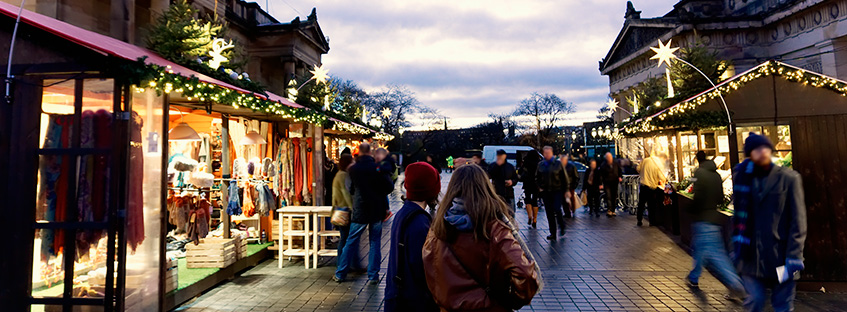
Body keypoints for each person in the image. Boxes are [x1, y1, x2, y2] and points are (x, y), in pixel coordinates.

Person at [423, 164, 540, 312]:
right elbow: (525, 273)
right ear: (485, 188)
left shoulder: (438, 228)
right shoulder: (495, 229)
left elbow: (430, 270)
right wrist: (513, 301)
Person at [732, 133, 806, 312]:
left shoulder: (789, 178)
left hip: (781, 256)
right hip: (750, 257)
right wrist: (734, 249)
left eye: (766, 148)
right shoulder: (743, 178)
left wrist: (794, 255)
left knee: (782, 305)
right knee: (754, 301)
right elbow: (737, 217)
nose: (763, 152)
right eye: (757, 149)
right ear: (750, 154)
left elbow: (798, 220)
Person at [686, 151, 745, 298]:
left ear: (698, 160)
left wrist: (691, 209)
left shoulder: (700, 173)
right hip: (714, 218)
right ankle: (693, 277)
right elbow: (720, 197)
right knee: (701, 249)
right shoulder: (716, 174)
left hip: (703, 219)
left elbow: (698, 196)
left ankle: (736, 284)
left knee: (716, 255)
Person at [334, 143, 394, 284]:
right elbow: (389, 186)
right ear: (370, 153)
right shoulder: (377, 168)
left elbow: (350, 189)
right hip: (376, 210)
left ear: (359, 153)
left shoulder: (353, 169)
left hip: (360, 209)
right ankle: (373, 275)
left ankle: (341, 273)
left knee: (351, 241)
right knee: (375, 242)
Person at [385, 162, 441, 312]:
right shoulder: (420, 223)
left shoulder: (404, 213)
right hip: (412, 302)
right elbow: (424, 270)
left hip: (398, 299)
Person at [331, 154, 360, 272]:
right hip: (344, 210)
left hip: (339, 208)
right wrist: (352, 207)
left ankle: (346, 264)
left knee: (345, 238)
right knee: (347, 239)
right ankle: (345, 264)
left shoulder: (339, 174)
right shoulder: (343, 175)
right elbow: (346, 192)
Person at [536, 146, 569, 240]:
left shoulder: (558, 164)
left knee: (557, 208)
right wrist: (540, 187)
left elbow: (564, 177)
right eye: (545, 153)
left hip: (557, 190)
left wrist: (566, 190)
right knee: (549, 212)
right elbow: (537, 177)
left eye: (548, 153)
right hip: (546, 191)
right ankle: (553, 233)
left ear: (551, 153)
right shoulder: (541, 165)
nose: (546, 155)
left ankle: (562, 225)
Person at [636, 148, 667, 227]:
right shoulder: (658, 164)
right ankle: (652, 221)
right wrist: (665, 180)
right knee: (651, 205)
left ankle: (639, 219)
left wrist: (643, 173)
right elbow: (661, 177)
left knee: (641, 204)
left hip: (643, 185)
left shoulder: (645, 160)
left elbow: (638, 169)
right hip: (652, 187)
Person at [488, 149, 519, 216]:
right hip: (497, 193)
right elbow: (490, 175)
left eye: (501, 156)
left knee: (511, 213)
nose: (500, 158)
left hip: (509, 194)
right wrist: (497, 166)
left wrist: (512, 182)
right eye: (498, 156)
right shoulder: (493, 165)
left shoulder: (510, 166)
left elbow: (515, 178)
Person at [519, 151, 541, 228]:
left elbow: (520, 171)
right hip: (536, 183)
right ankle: (534, 219)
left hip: (527, 183)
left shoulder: (526, 162)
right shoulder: (539, 163)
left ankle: (529, 216)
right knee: (535, 200)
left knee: (527, 199)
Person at [598, 152, 622, 217]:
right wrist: (600, 183)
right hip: (607, 182)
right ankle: (609, 209)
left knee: (614, 196)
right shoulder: (603, 165)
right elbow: (600, 175)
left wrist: (620, 177)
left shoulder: (615, 163)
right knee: (608, 196)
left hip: (614, 181)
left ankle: (613, 210)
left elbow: (619, 170)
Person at [560, 153, 579, 218]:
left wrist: (574, 185)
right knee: (564, 200)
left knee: (570, 198)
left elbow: (576, 176)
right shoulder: (561, 166)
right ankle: (567, 212)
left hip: (570, 185)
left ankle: (571, 210)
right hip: (563, 186)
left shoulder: (571, 166)